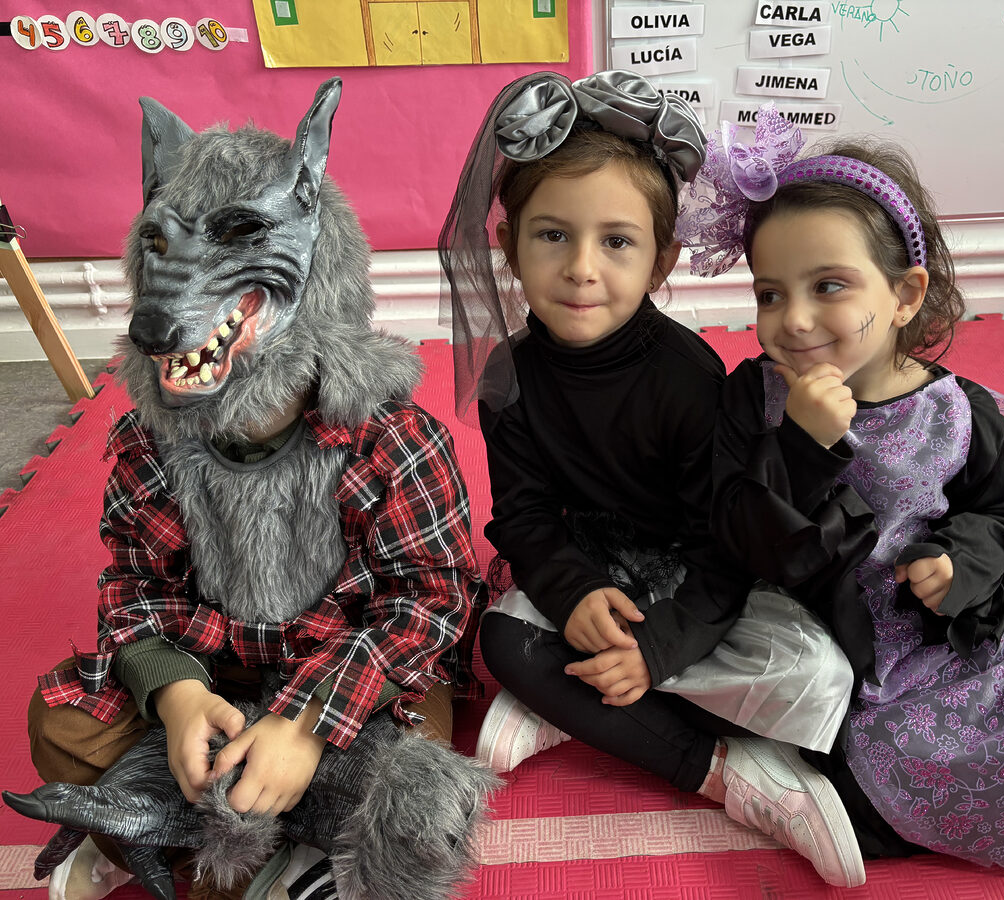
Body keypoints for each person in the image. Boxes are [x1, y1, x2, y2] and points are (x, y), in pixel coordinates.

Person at [5, 79, 496, 900]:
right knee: (58, 726)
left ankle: (177, 826)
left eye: (235, 235)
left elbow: (431, 602)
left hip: (352, 682)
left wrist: (306, 724)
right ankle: (239, 828)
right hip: (219, 673)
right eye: (163, 244)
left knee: (413, 800)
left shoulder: (391, 437)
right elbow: (134, 587)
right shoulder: (151, 444)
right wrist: (177, 696)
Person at [677, 104, 1004, 874]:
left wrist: (958, 558)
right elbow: (736, 535)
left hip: (929, 627)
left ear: (905, 295)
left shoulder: (957, 412)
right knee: (851, 778)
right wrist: (802, 446)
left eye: (828, 286)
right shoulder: (753, 398)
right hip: (810, 626)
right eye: (770, 293)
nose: (793, 320)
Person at [438, 71, 865, 887]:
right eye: (552, 236)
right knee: (501, 641)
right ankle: (723, 772)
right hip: (598, 569)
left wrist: (660, 649)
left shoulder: (688, 379)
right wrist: (573, 592)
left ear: (662, 259)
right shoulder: (508, 378)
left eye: (617, 242)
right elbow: (525, 519)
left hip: (699, 584)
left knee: (822, 679)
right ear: (509, 245)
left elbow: (728, 543)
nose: (581, 269)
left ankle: (583, 707)